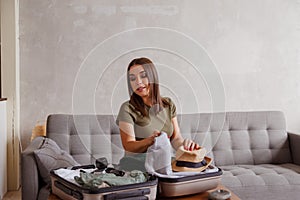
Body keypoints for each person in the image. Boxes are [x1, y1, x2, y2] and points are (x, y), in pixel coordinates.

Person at [116, 57, 200, 171]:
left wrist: (185, 145)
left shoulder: (168, 104)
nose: (138, 82)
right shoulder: (127, 108)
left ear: (153, 77)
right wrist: (149, 141)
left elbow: (175, 138)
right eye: (132, 78)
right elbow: (128, 146)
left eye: (143, 76)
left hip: (163, 164)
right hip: (136, 167)